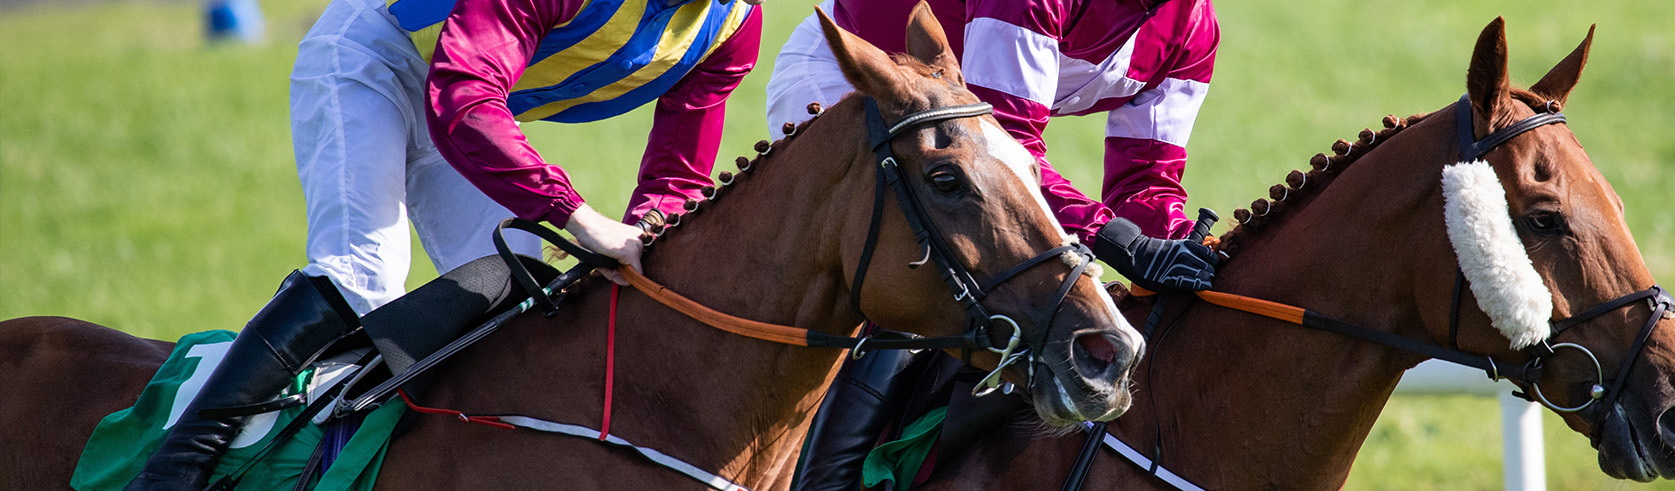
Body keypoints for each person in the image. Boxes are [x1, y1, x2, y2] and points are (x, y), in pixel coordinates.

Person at [125, 0, 763, 487]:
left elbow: (677, 175)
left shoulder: (735, 23)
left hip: (468, 98)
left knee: (521, 297)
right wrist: (575, 214)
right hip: (377, 55)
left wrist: (648, 235)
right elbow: (465, 95)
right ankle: (176, 466)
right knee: (362, 273)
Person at [762, 0, 1219, 488]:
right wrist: (1120, 241)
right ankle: (825, 479)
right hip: (856, 81)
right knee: (927, 266)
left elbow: (1147, 178)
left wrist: (1180, 248)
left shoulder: (1193, 28)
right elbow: (1006, 145)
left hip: (956, 120)